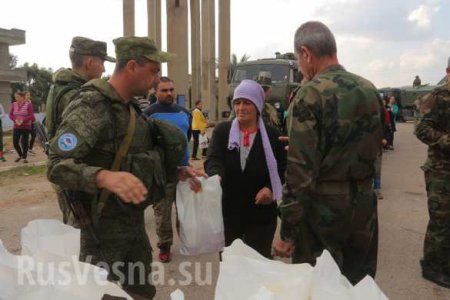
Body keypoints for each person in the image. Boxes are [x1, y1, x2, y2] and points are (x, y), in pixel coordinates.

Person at [47, 36, 203, 299]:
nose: (156, 80)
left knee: (142, 291)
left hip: (132, 228)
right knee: (102, 294)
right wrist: (103, 177)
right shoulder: (92, 104)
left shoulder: (132, 109)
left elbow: (139, 159)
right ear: (132, 66)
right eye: (153, 71)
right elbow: (56, 165)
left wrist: (177, 172)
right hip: (98, 233)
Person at [273, 21, 382, 284]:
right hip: (365, 206)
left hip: (323, 212)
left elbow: (300, 174)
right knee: (359, 286)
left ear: (306, 53)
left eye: (299, 60)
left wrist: (287, 231)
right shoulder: (369, 89)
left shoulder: (309, 95)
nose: (300, 68)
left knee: (319, 286)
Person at [205, 79, 286, 258]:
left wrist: (270, 189)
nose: (241, 108)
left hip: (261, 217)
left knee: (257, 268)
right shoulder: (222, 131)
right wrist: (215, 175)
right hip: (228, 214)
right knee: (231, 268)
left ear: (257, 105)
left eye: (247, 103)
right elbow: (214, 158)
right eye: (237, 103)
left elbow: (282, 169)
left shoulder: (273, 136)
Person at [45, 36, 115, 226]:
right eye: (102, 63)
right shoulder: (77, 95)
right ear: (89, 62)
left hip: (65, 170)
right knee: (82, 235)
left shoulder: (58, 87)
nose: (104, 69)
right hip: (74, 174)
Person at [143, 76, 192, 263]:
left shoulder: (184, 112)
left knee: (185, 212)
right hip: (162, 174)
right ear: (155, 92)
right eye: (164, 90)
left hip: (184, 172)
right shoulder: (148, 114)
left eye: (171, 89)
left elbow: (186, 138)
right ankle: (164, 246)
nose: (169, 93)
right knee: (162, 214)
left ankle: (187, 242)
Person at [415, 56, 450, 288]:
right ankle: (432, 267)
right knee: (441, 221)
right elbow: (421, 128)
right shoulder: (438, 96)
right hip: (441, 171)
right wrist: (447, 140)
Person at [9, 91, 35, 163]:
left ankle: (24, 157)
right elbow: (11, 115)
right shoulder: (14, 104)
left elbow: (31, 116)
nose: (16, 98)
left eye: (17, 97)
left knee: (25, 142)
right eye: (15, 97)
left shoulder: (28, 105)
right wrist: (15, 120)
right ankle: (20, 155)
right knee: (15, 142)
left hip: (26, 126)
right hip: (16, 126)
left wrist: (22, 120)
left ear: (22, 97)